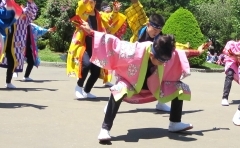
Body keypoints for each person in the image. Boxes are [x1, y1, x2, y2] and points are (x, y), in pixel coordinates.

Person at [78, 19, 207, 141]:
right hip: (131, 83)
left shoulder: (164, 53)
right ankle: (105, 129)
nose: (162, 64)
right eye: (160, 61)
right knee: (117, 91)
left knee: (180, 87)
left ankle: (175, 123)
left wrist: (198, 52)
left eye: (165, 61)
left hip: (154, 86)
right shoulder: (135, 50)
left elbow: (180, 53)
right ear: (152, 54)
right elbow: (114, 44)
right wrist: (91, 32)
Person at [112, 0, 170, 112]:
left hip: (149, 64)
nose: (156, 32)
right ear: (148, 24)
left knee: (162, 76)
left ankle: (161, 102)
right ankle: (111, 105)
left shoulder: (160, 37)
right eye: (154, 29)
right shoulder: (141, 25)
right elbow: (137, 6)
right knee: (123, 85)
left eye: (159, 30)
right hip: (132, 62)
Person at [67, 0, 127, 99]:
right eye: (89, 1)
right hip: (83, 44)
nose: (91, 4)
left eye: (93, 1)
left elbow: (110, 19)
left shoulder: (99, 15)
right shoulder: (82, 13)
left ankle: (87, 91)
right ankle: (78, 87)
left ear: (95, 3)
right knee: (86, 64)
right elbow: (81, 5)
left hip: (95, 45)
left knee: (96, 69)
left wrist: (115, 11)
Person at [0, 0, 38, 88]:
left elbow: (32, 13)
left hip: (15, 42)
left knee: (13, 61)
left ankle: (8, 82)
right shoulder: (6, 12)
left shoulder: (23, 15)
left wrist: (30, 1)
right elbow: (2, 7)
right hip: (3, 39)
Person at [221, 40, 240, 106]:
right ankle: (225, 98)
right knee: (229, 75)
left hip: (239, 64)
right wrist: (231, 53)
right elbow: (225, 50)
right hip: (231, 62)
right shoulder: (231, 43)